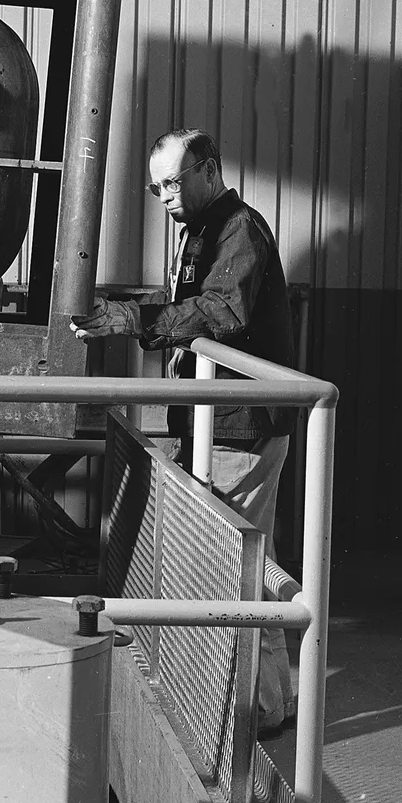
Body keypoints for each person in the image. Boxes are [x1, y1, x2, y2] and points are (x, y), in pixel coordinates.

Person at [70, 128, 296, 734]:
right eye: (156, 186)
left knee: (235, 561)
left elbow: (224, 311)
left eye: (174, 181)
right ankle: (271, 700)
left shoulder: (238, 229)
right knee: (245, 557)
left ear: (210, 169)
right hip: (219, 420)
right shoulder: (203, 231)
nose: (165, 195)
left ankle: (264, 707)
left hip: (238, 424)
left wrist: (134, 319)